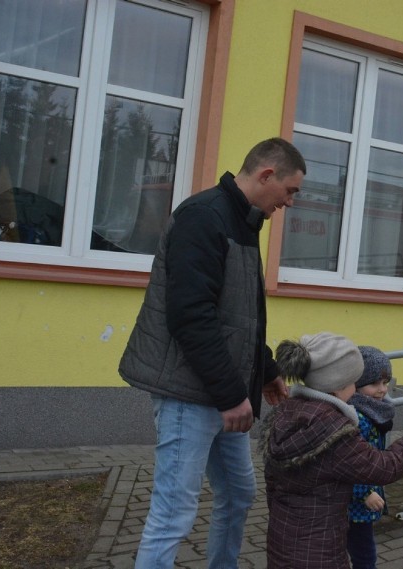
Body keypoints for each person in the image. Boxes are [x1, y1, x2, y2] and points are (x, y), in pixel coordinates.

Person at [119, 137, 306, 568]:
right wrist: (231, 394)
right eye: (290, 190)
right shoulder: (203, 218)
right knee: (172, 515)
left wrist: (266, 370)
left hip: (222, 393)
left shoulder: (242, 221)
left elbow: (237, 316)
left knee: (240, 494)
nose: (290, 202)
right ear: (266, 175)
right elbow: (191, 316)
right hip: (190, 392)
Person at [262, 333, 403, 569]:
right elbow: (382, 467)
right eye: (354, 382)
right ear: (339, 384)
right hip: (319, 554)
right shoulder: (333, 431)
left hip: (282, 546)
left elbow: (272, 486)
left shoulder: (286, 415)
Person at [346, 346, 397, 568]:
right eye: (375, 383)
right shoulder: (356, 418)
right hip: (352, 503)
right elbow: (349, 460)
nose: (382, 390)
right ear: (356, 384)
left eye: (386, 383)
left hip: (363, 499)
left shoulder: (374, 411)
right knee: (364, 556)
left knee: (362, 552)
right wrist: (365, 492)